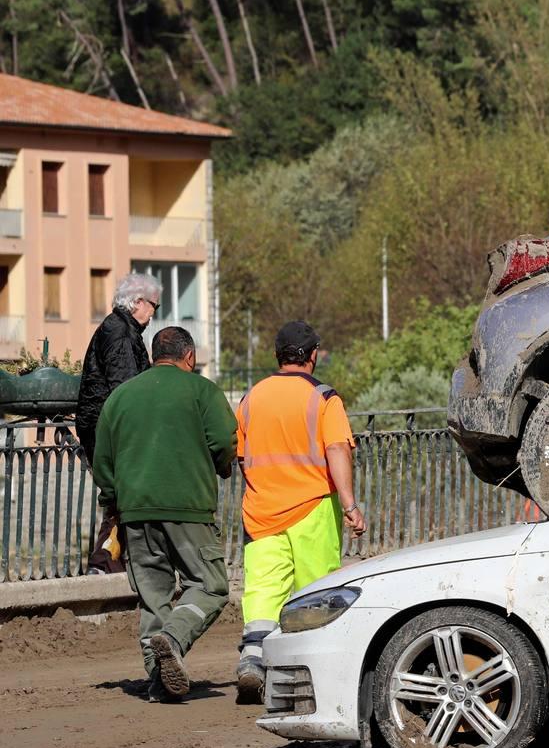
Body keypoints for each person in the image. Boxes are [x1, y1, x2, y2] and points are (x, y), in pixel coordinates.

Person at [92, 327, 236, 701]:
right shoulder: (203, 391)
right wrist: (222, 466)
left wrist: (114, 502)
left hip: (134, 512)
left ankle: (159, 683)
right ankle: (172, 639)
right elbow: (223, 441)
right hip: (188, 508)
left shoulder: (120, 397)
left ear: (155, 354)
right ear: (189, 356)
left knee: (153, 597)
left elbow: (102, 459)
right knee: (209, 585)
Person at [235, 321, 366, 703]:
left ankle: (253, 659)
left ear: (278, 355)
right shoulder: (323, 398)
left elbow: (242, 456)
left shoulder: (251, 398)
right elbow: (337, 449)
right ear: (312, 356)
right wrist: (350, 505)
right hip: (312, 508)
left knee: (262, 590)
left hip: (260, 509)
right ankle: (310, 674)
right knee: (316, 590)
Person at [77, 271, 161, 574]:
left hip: (102, 427)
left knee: (122, 498)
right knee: (122, 497)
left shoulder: (120, 329)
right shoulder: (120, 333)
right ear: (138, 302)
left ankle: (110, 562)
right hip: (110, 430)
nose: (154, 314)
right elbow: (126, 388)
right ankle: (105, 563)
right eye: (154, 306)